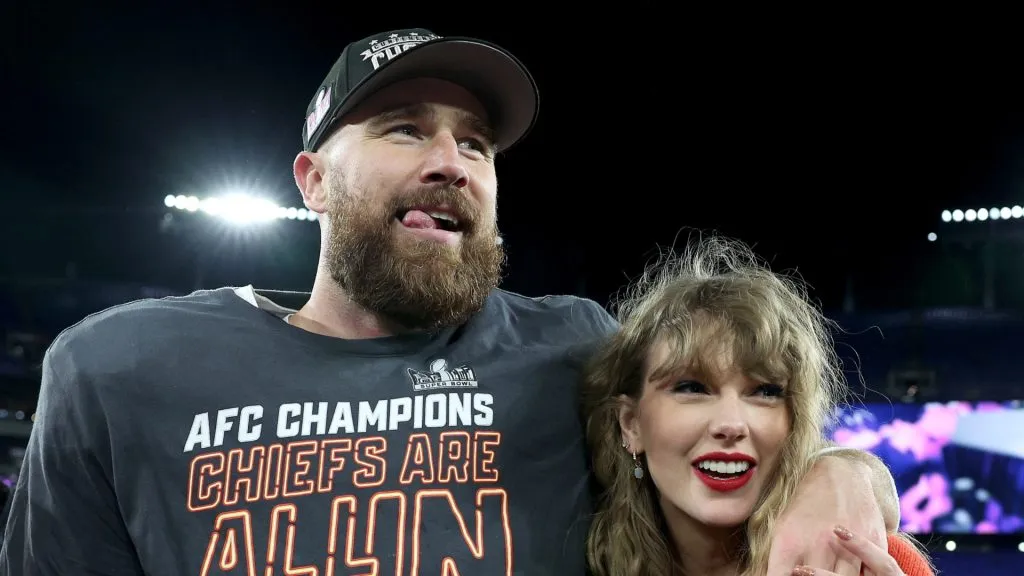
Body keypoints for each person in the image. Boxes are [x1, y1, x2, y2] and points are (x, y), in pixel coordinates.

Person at [1, 28, 899, 575]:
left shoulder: (573, 349)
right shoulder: (116, 368)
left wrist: (843, 476)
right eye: (404, 129)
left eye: (477, 143)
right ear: (312, 181)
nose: (451, 160)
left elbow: (729, 419)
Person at [581, 235, 934, 576]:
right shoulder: (577, 557)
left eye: (765, 391)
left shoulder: (865, 560)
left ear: (795, 421)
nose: (732, 423)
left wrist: (848, 469)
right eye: (692, 387)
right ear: (631, 425)